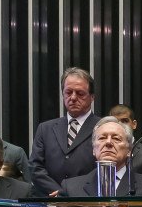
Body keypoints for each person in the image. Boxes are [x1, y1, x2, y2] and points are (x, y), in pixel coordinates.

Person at [29, 67, 101, 196]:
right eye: (68, 92)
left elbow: (105, 166)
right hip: (50, 200)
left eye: (80, 93)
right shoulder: (45, 128)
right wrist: (59, 193)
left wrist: (72, 192)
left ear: (92, 97)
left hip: (87, 200)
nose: (73, 98)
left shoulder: (103, 127)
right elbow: (35, 167)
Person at [59, 117, 142, 196]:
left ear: (129, 150)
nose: (108, 142)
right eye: (102, 138)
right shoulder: (70, 189)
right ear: (93, 150)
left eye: (116, 138)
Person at [108, 104, 142, 177]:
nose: (120, 125)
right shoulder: (103, 152)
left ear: (134, 124)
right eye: (116, 122)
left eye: (124, 121)